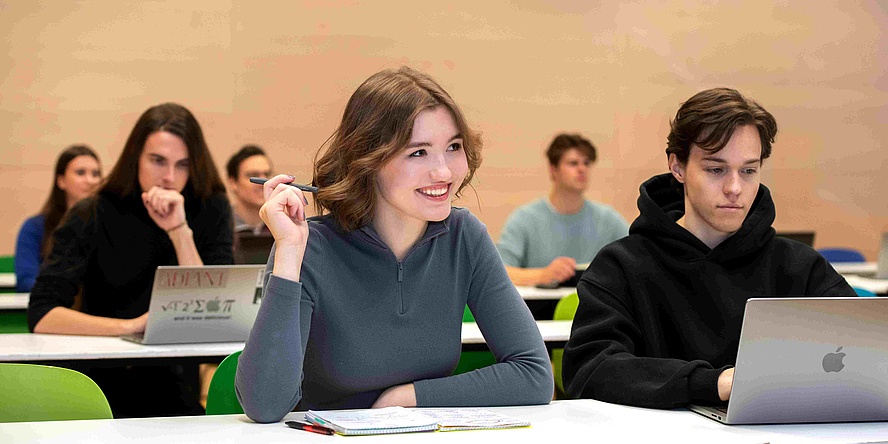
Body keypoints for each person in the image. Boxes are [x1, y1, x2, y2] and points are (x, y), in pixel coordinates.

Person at [236, 67, 553, 423]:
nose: (444, 172)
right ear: (367, 160)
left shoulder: (465, 237)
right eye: (418, 153)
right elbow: (264, 405)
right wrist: (290, 252)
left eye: (453, 147)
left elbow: (534, 376)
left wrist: (409, 397)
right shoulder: (309, 247)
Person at [562, 88, 856, 410]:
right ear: (678, 167)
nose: (734, 188)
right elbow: (590, 370)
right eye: (716, 170)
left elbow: (867, 352)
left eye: (748, 171)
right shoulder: (621, 266)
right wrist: (712, 383)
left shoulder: (799, 266)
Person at [27, 103, 234, 418]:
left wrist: (179, 230)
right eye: (157, 161)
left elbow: (211, 309)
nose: (168, 177)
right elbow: (42, 315)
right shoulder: (92, 212)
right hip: (99, 381)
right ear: (135, 157)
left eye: (182, 165)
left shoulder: (210, 207)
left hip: (175, 383)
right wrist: (132, 326)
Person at [497, 133, 628, 287]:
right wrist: (543, 275)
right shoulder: (524, 219)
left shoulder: (609, 219)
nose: (582, 169)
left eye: (586, 163)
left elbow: (637, 260)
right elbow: (500, 272)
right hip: (540, 310)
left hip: (596, 308)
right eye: (573, 163)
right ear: (553, 170)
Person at [14, 145, 101, 293]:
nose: (90, 180)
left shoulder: (107, 224)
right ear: (61, 181)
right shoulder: (35, 227)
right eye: (81, 173)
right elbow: (26, 281)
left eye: (96, 174)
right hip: (54, 308)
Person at [226, 144, 273, 234]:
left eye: (267, 174)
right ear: (233, 183)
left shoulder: (282, 224)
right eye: (254, 176)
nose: (264, 182)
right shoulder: (219, 226)